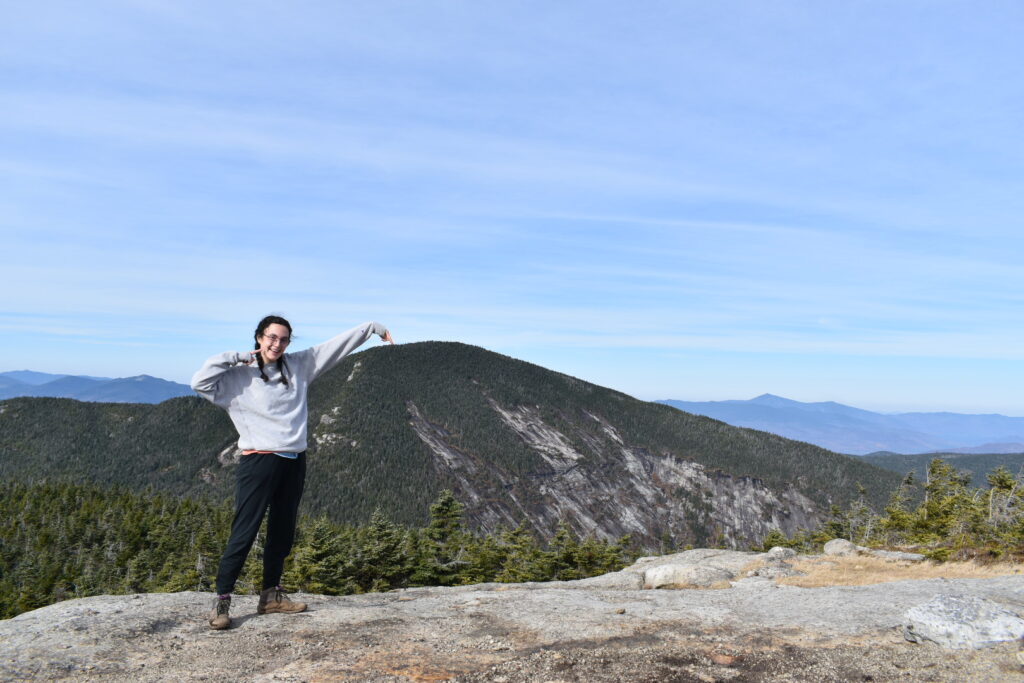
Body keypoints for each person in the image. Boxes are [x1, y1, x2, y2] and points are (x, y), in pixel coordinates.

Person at [191, 315, 393, 630]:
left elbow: (333, 348)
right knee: (244, 532)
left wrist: (371, 329)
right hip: (259, 462)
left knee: (282, 531)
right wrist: (237, 357)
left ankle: (270, 597)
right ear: (259, 337)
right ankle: (222, 603)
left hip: (294, 459)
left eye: (284, 339)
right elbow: (199, 382)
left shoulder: (298, 365)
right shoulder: (236, 377)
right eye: (271, 337)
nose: (277, 344)